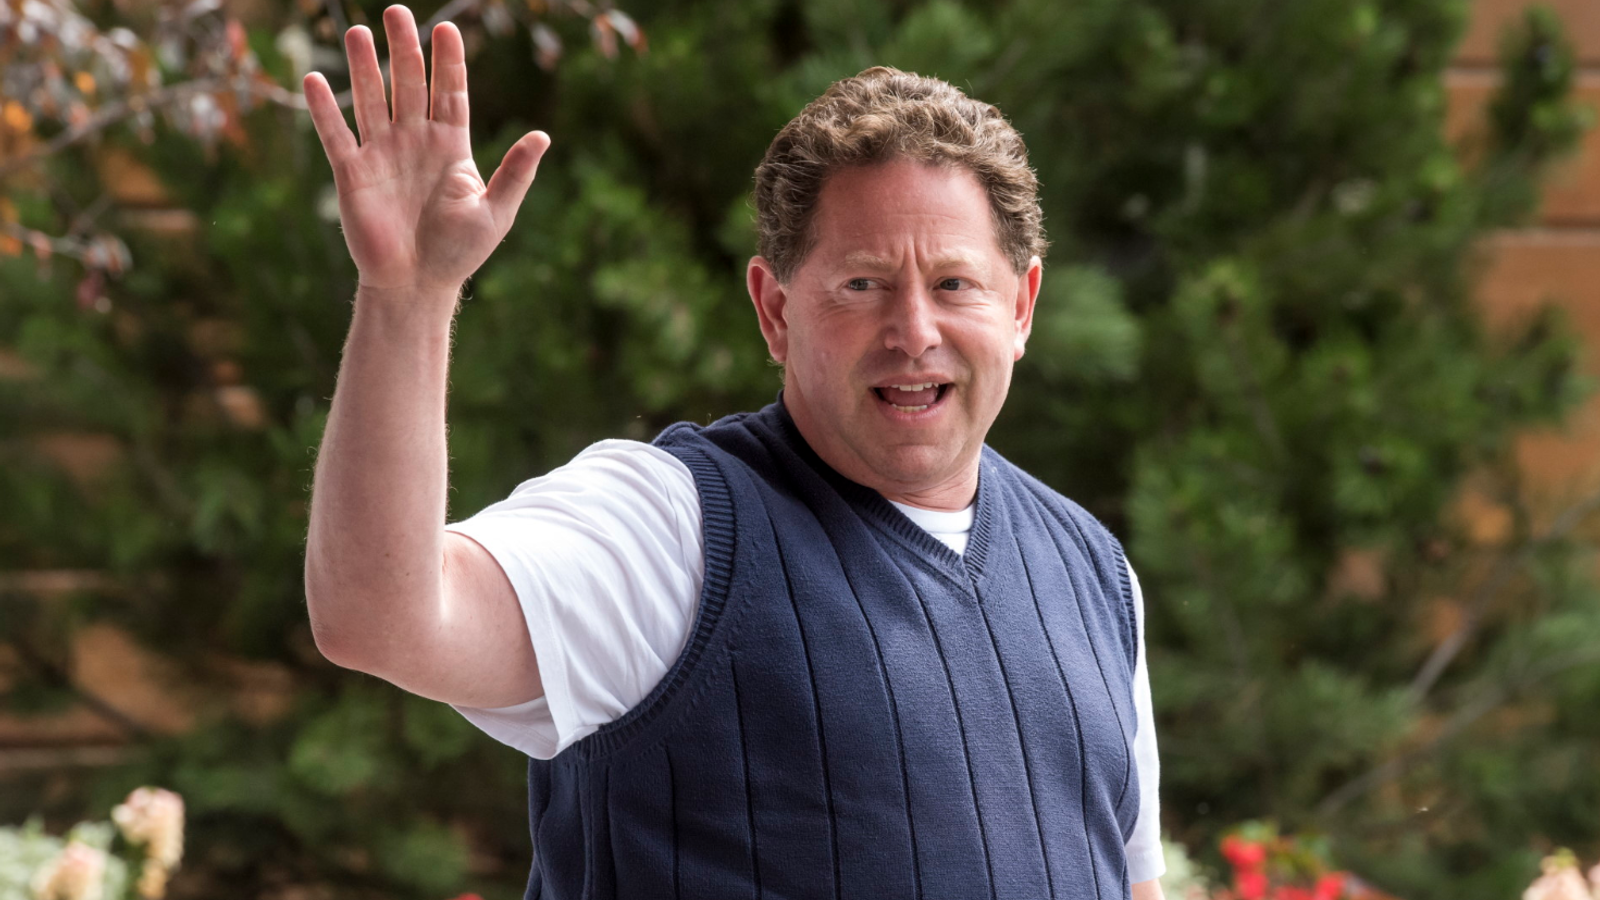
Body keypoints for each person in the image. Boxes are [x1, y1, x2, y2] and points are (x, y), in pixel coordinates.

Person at [301, 5, 1166, 899]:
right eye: (862, 284)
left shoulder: (1093, 572)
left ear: (1020, 307)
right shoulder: (668, 528)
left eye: (954, 284)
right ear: (775, 311)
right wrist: (407, 296)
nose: (914, 331)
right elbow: (380, 615)